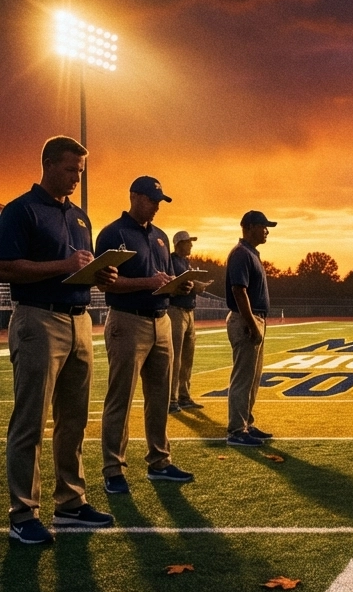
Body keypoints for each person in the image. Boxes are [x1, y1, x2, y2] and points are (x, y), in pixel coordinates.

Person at [0, 137, 119, 543]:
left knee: (74, 419)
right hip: (38, 319)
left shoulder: (81, 216)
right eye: (71, 170)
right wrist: (64, 266)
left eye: (80, 172)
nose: (75, 178)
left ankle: (70, 502)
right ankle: (22, 513)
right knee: (30, 420)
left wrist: (101, 275)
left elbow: (77, 268)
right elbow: (6, 267)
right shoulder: (21, 210)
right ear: (48, 164)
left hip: (80, 319)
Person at [95, 177, 195, 493]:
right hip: (127, 321)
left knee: (160, 396)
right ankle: (113, 469)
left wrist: (180, 285)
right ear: (135, 197)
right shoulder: (113, 233)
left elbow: (161, 279)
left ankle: (159, 462)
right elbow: (105, 284)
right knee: (120, 398)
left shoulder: (162, 237)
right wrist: (147, 283)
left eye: (159, 201)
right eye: (152, 200)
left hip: (161, 320)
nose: (155, 206)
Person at [224, 211, 277, 447]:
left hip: (255, 318)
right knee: (243, 378)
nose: (266, 231)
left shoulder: (250, 254)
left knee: (253, 379)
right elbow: (239, 290)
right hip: (246, 319)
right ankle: (237, 430)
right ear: (250, 227)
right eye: (263, 226)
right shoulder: (241, 254)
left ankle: (245, 423)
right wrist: (251, 323)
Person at [168, 230, 210, 413]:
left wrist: (197, 286)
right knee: (175, 358)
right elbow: (170, 284)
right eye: (188, 242)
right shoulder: (171, 261)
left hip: (188, 310)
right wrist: (193, 286)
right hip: (175, 310)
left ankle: (184, 396)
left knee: (187, 358)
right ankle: (171, 399)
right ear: (179, 244)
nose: (191, 245)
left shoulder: (185, 262)